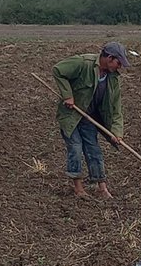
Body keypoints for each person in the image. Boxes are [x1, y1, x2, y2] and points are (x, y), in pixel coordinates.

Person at [53, 41, 128, 199]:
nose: (120, 66)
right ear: (109, 58)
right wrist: (68, 95)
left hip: (90, 118)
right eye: (118, 62)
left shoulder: (113, 79)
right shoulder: (83, 63)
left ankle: (102, 188)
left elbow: (116, 108)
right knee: (75, 148)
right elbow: (58, 70)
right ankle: (78, 188)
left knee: (93, 150)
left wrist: (117, 132)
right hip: (72, 115)